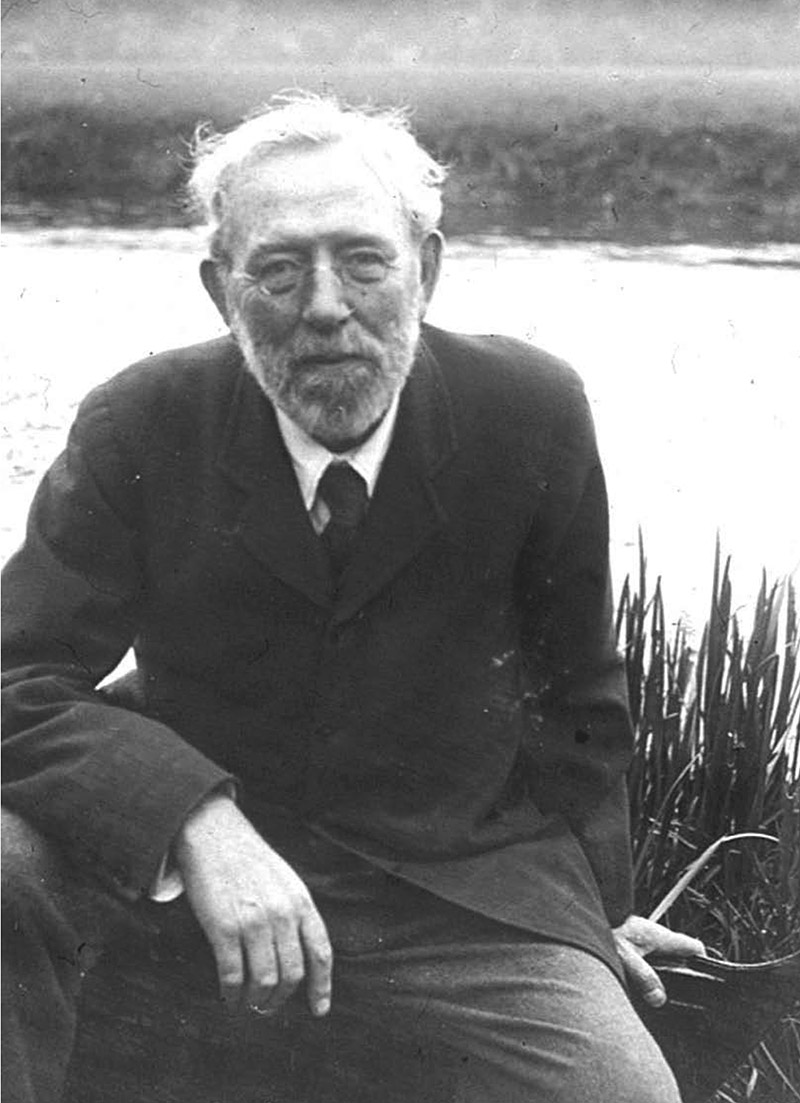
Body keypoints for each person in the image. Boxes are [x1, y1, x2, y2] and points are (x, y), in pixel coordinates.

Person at [2, 92, 703, 1103]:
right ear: (221, 290)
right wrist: (191, 818)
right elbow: (15, 675)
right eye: (280, 269)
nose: (325, 306)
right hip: (186, 889)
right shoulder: (142, 422)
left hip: (455, 900)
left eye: (364, 260)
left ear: (426, 267)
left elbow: (580, 708)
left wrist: (593, 917)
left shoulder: (530, 411)